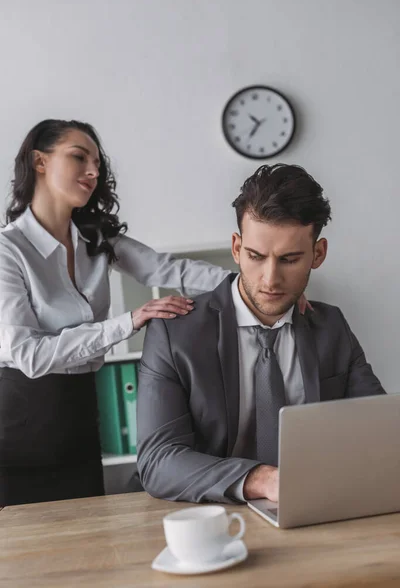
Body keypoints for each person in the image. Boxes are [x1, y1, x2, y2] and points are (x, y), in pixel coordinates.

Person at [0, 118, 233, 507]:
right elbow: (29, 354)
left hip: (78, 414)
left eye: (97, 163)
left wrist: (254, 287)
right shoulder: (8, 250)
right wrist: (128, 323)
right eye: (79, 157)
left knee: (90, 546)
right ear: (40, 162)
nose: (93, 171)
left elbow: (170, 269)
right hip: (18, 422)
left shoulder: (97, 238)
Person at [137, 163, 385, 505]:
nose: (270, 280)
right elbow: (158, 461)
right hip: (211, 516)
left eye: (289, 260)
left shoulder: (331, 326)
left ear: (318, 254)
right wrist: (263, 480)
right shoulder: (173, 333)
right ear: (237, 248)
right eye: (256, 256)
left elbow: (380, 430)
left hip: (314, 510)